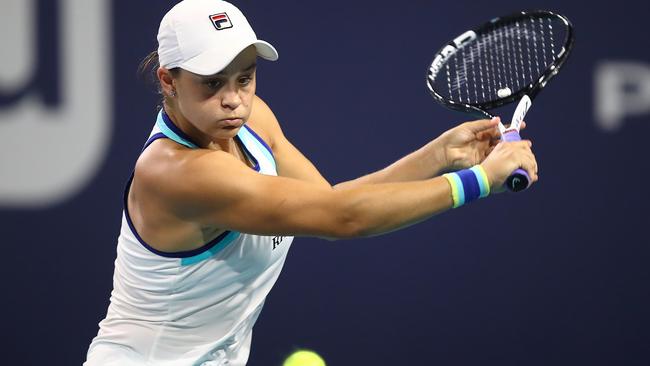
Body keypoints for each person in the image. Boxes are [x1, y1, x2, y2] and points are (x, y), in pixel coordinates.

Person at [85, 0, 538, 365]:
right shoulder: (178, 173)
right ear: (168, 80)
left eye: (245, 79)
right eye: (211, 84)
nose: (233, 100)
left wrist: (438, 156)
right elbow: (343, 218)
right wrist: (477, 181)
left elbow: (329, 200)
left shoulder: (251, 120)